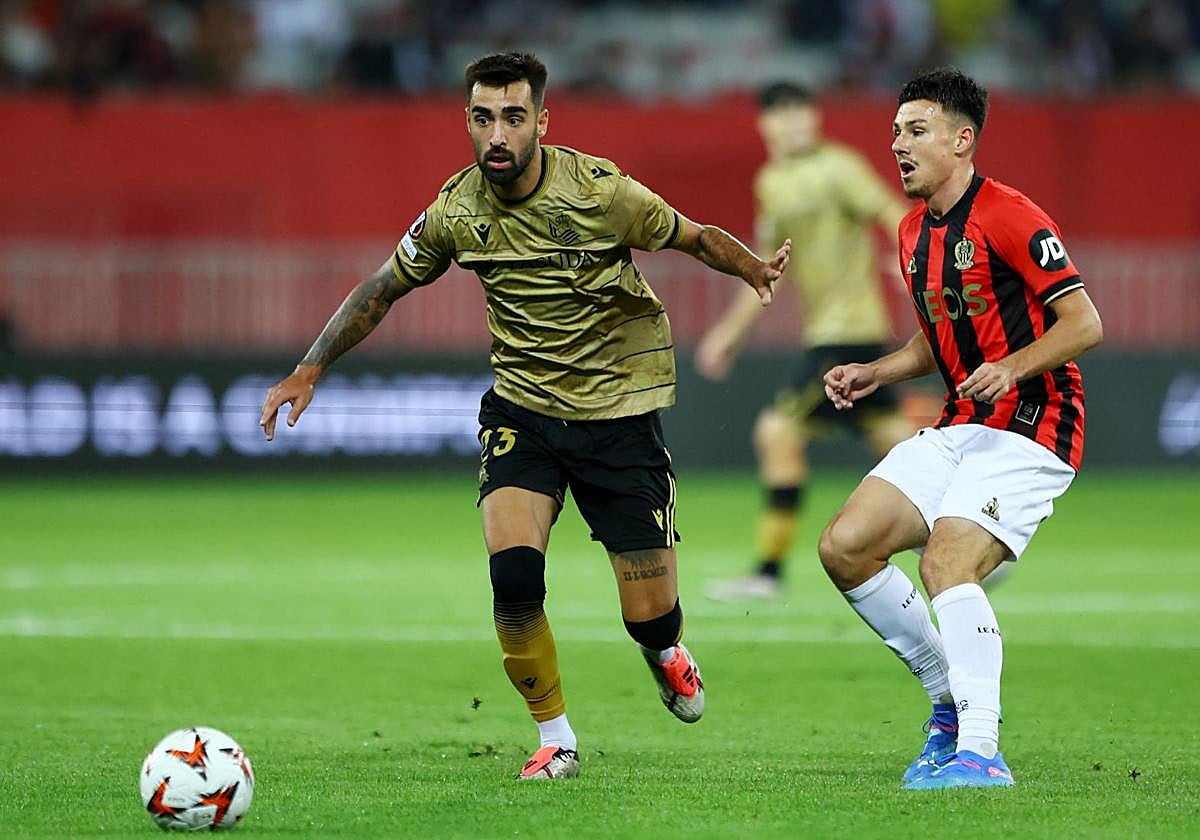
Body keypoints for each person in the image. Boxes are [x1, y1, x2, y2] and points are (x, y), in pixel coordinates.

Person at [258, 52, 791, 781]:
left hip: (617, 413)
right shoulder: (456, 211)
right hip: (524, 412)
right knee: (513, 579)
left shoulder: (602, 193)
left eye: (513, 117)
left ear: (542, 120)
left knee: (649, 615)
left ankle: (664, 649)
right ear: (468, 122)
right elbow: (383, 288)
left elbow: (693, 236)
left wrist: (752, 269)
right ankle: (555, 737)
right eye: (483, 119)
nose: (497, 135)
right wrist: (310, 366)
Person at [818, 67, 1102, 789]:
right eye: (895, 132)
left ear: (962, 139)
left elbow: (1084, 322)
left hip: (1034, 422)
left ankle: (980, 753)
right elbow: (940, 334)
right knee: (846, 547)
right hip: (962, 423)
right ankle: (948, 704)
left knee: (946, 562)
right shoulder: (912, 230)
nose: (898, 146)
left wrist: (1011, 368)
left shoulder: (1012, 215)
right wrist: (878, 371)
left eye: (916, 131)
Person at [697, 81, 914, 601]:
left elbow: (892, 212)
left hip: (848, 334)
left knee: (777, 432)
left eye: (801, 112)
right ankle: (963, 536)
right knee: (900, 446)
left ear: (815, 117)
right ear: (764, 124)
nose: (793, 123)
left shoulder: (840, 167)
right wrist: (729, 336)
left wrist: (914, 260)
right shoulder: (771, 183)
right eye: (781, 114)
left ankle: (768, 572)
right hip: (838, 334)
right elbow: (767, 271)